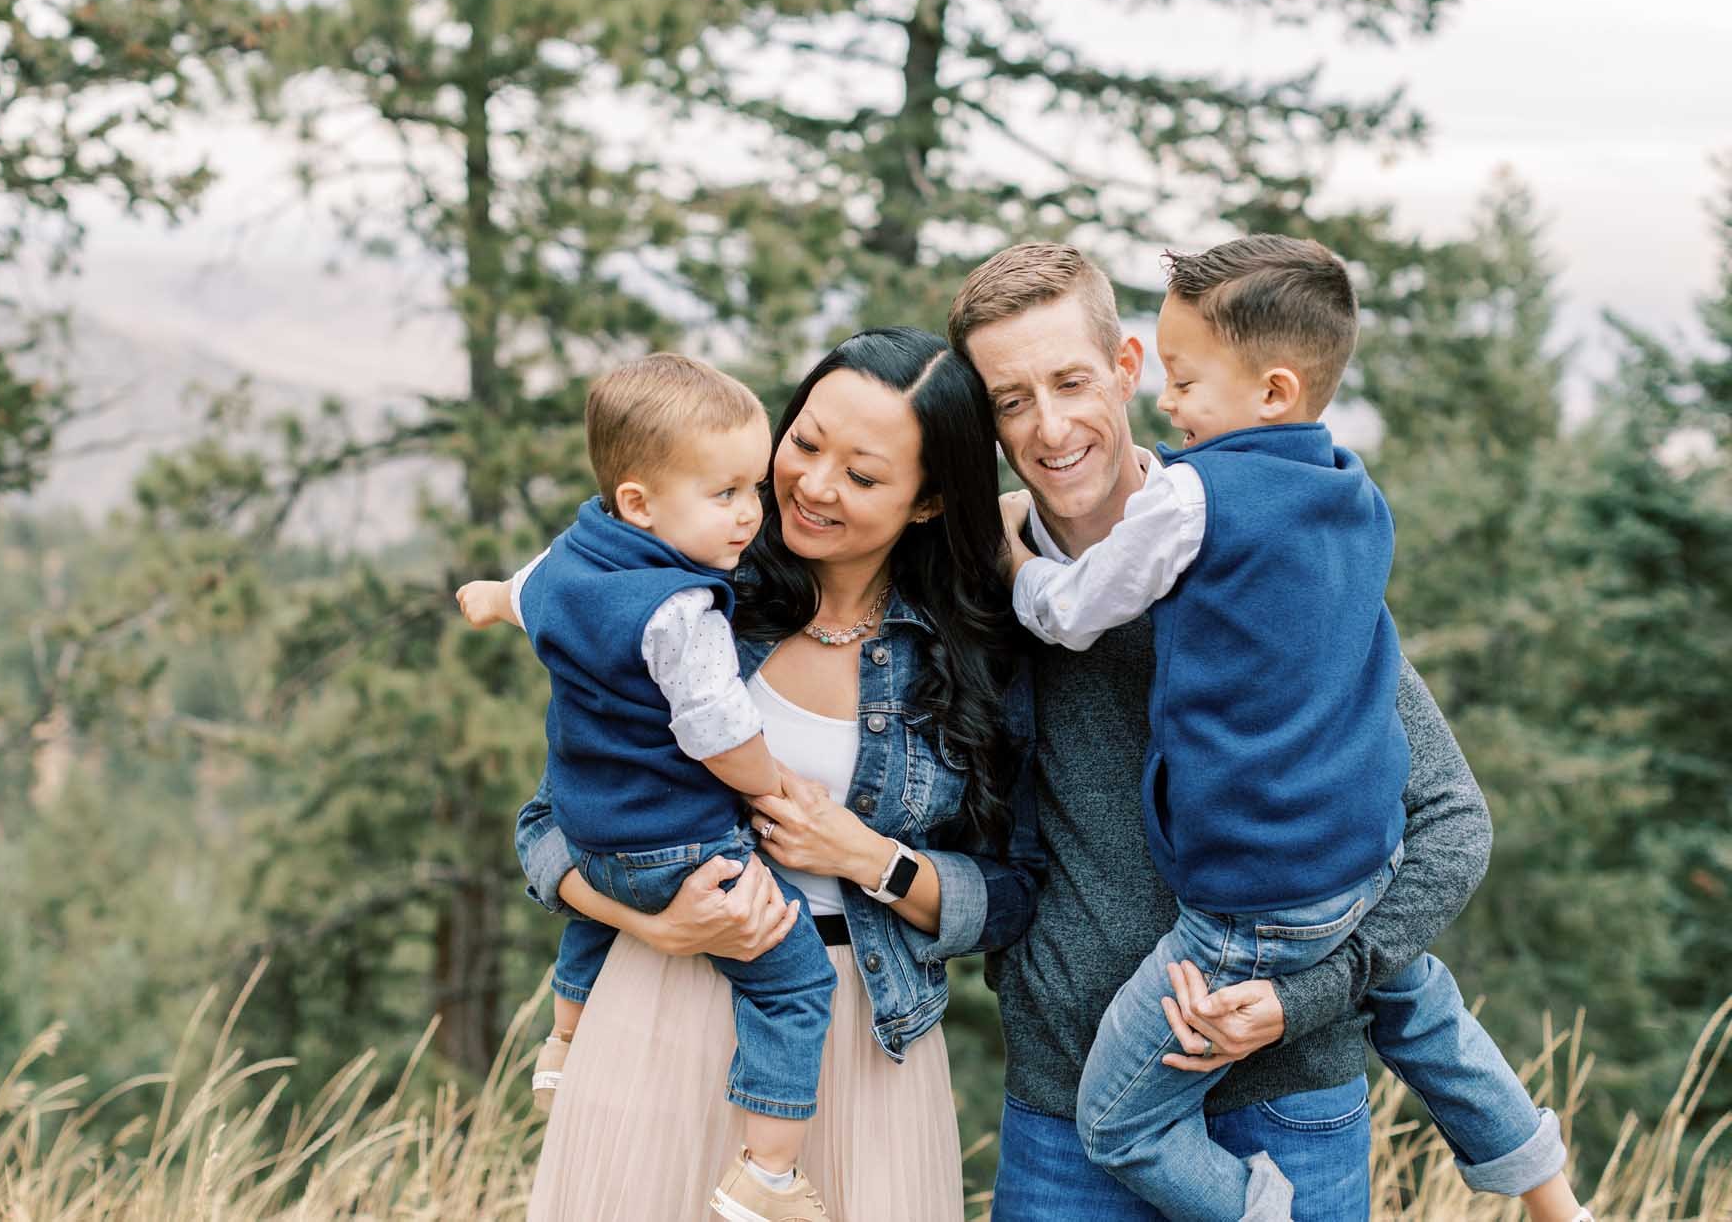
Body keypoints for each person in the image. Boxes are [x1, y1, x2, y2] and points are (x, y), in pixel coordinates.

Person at [944, 242, 1582, 1219]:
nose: (1048, 423)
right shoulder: (972, 593)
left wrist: (1304, 997)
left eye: (1069, 380)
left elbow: (1450, 827)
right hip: (1062, 1113)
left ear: (1127, 368)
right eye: (1009, 399)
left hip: (1288, 1102)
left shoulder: (1269, 560)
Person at [514, 327, 1043, 1221]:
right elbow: (549, 823)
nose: (812, 483)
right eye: (803, 442)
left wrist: (870, 857)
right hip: (656, 1007)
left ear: (928, 501)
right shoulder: (686, 598)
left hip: (865, 1043)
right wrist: (661, 923)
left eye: (864, 475)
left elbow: (1015, 893)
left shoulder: (975, 656)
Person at [456, 353, 838, 1218]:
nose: (751, 513)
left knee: (592, 919)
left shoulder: (572, 556)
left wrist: (484, 597)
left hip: (592, 833)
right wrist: (768, 783)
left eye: (753, 488)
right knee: (792, 982)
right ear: (640, 503)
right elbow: (717, 730)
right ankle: (767, 1172)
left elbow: (520, 593)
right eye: (726, 493)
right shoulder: (682, 611)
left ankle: (561, 1042)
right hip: (684, 847)